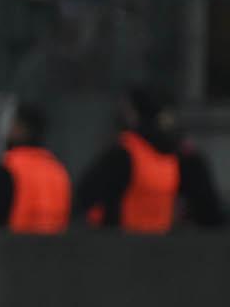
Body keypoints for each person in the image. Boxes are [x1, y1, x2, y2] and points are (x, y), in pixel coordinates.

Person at [75, 87, 223, 232]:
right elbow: (211, 216)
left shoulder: (122, 154)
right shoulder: (185, 158)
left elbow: (83, 199)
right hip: (165, 244)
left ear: (134, 114)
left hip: (119, 243)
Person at [0, 103, 70, 233]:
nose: (7, 131)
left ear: (23, 130)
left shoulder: (10, 167)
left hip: (13, 244)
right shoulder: (58, 171)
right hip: (54, 245)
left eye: (13, 125)